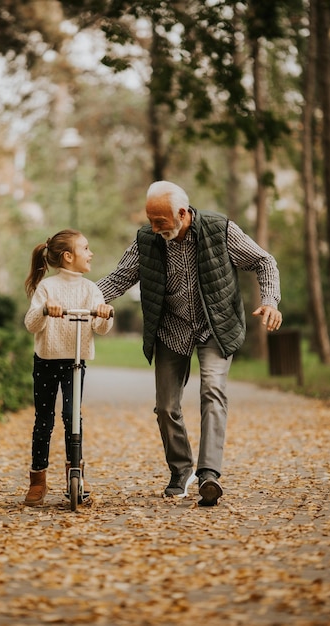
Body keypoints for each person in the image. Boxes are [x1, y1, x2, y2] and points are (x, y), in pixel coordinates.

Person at [97, 180, 282, 506]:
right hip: (171, 328)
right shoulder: (148, 240)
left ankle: (209, 474)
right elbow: (119, 277)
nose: (154, 228)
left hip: (216, 326)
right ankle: (181, 470)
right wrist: (84, 298)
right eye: (150, 220)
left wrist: (270, 300)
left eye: (161, 221)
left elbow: (264, 261)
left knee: (212, 390)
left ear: (183, 213)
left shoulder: (219, 230)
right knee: (166, 407)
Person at [23, 229, 114, 506]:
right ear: (68, 256)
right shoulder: (47, 288)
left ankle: (76, 473)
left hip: (75, 362)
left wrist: (103, 312)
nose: (91, 253)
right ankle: (38, 479)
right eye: (85, 248)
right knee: (44, 419)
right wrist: (44, 309)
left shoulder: (90, 289)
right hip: (47, 359)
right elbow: (31, 323)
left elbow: (101, 328)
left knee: (72, 416)